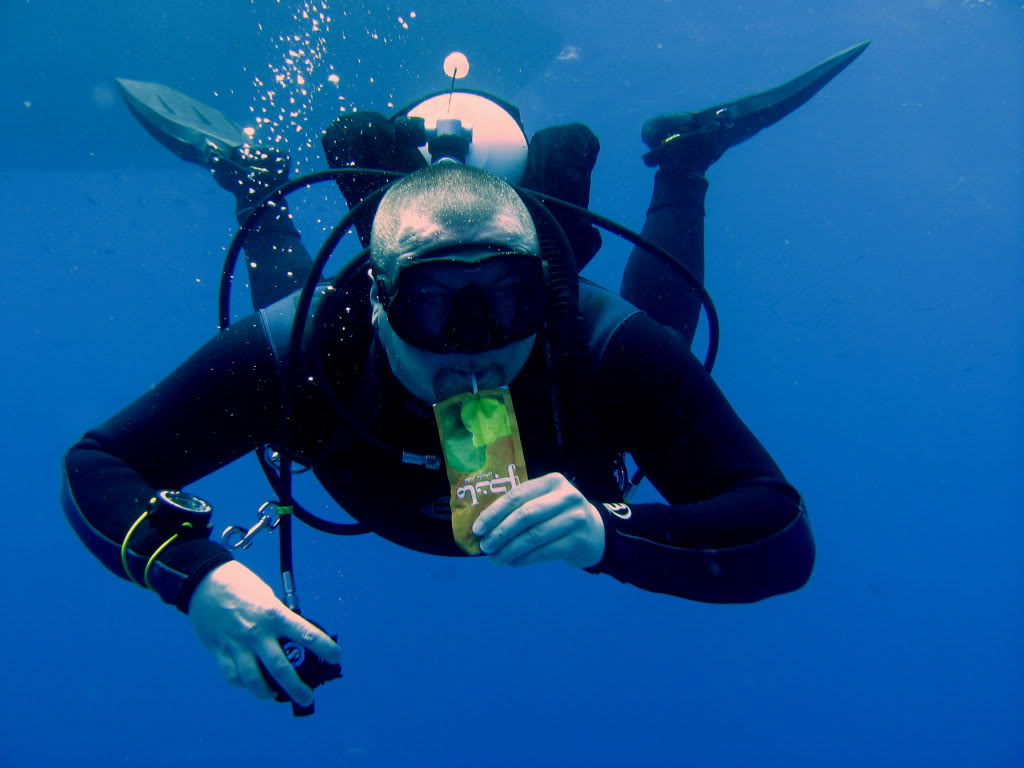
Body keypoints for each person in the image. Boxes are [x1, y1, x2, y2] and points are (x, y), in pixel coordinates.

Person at [63, 43, 868, 708]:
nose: (475, 346)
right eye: (434, 304)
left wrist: (611, 534)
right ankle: (258, 187)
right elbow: (96, 465)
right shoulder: (311, 342)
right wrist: (197, 577)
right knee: (300, 339)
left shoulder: (600, 345)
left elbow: (781, 538)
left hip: (541, 360)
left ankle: (682, 159)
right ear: (381, 302)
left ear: (542, 293)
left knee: (658, 344)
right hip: (337, 360)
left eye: (508, 301)